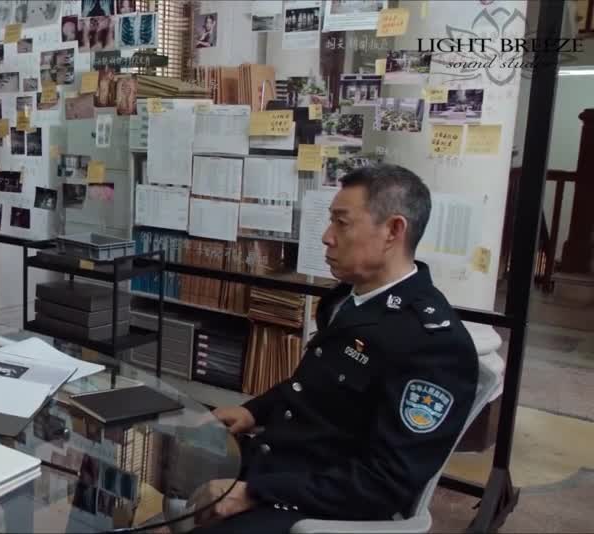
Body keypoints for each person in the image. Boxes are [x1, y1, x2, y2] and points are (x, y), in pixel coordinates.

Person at [188, 165, 478, 534]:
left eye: (342, 223)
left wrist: (256, 492)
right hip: (281, 464)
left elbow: (384, 484)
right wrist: (252, 410)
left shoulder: (433, 343)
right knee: (173, 463)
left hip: (323, 507)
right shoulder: (349, 298)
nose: (327, 237)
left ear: (393, 230)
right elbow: (313, 388)